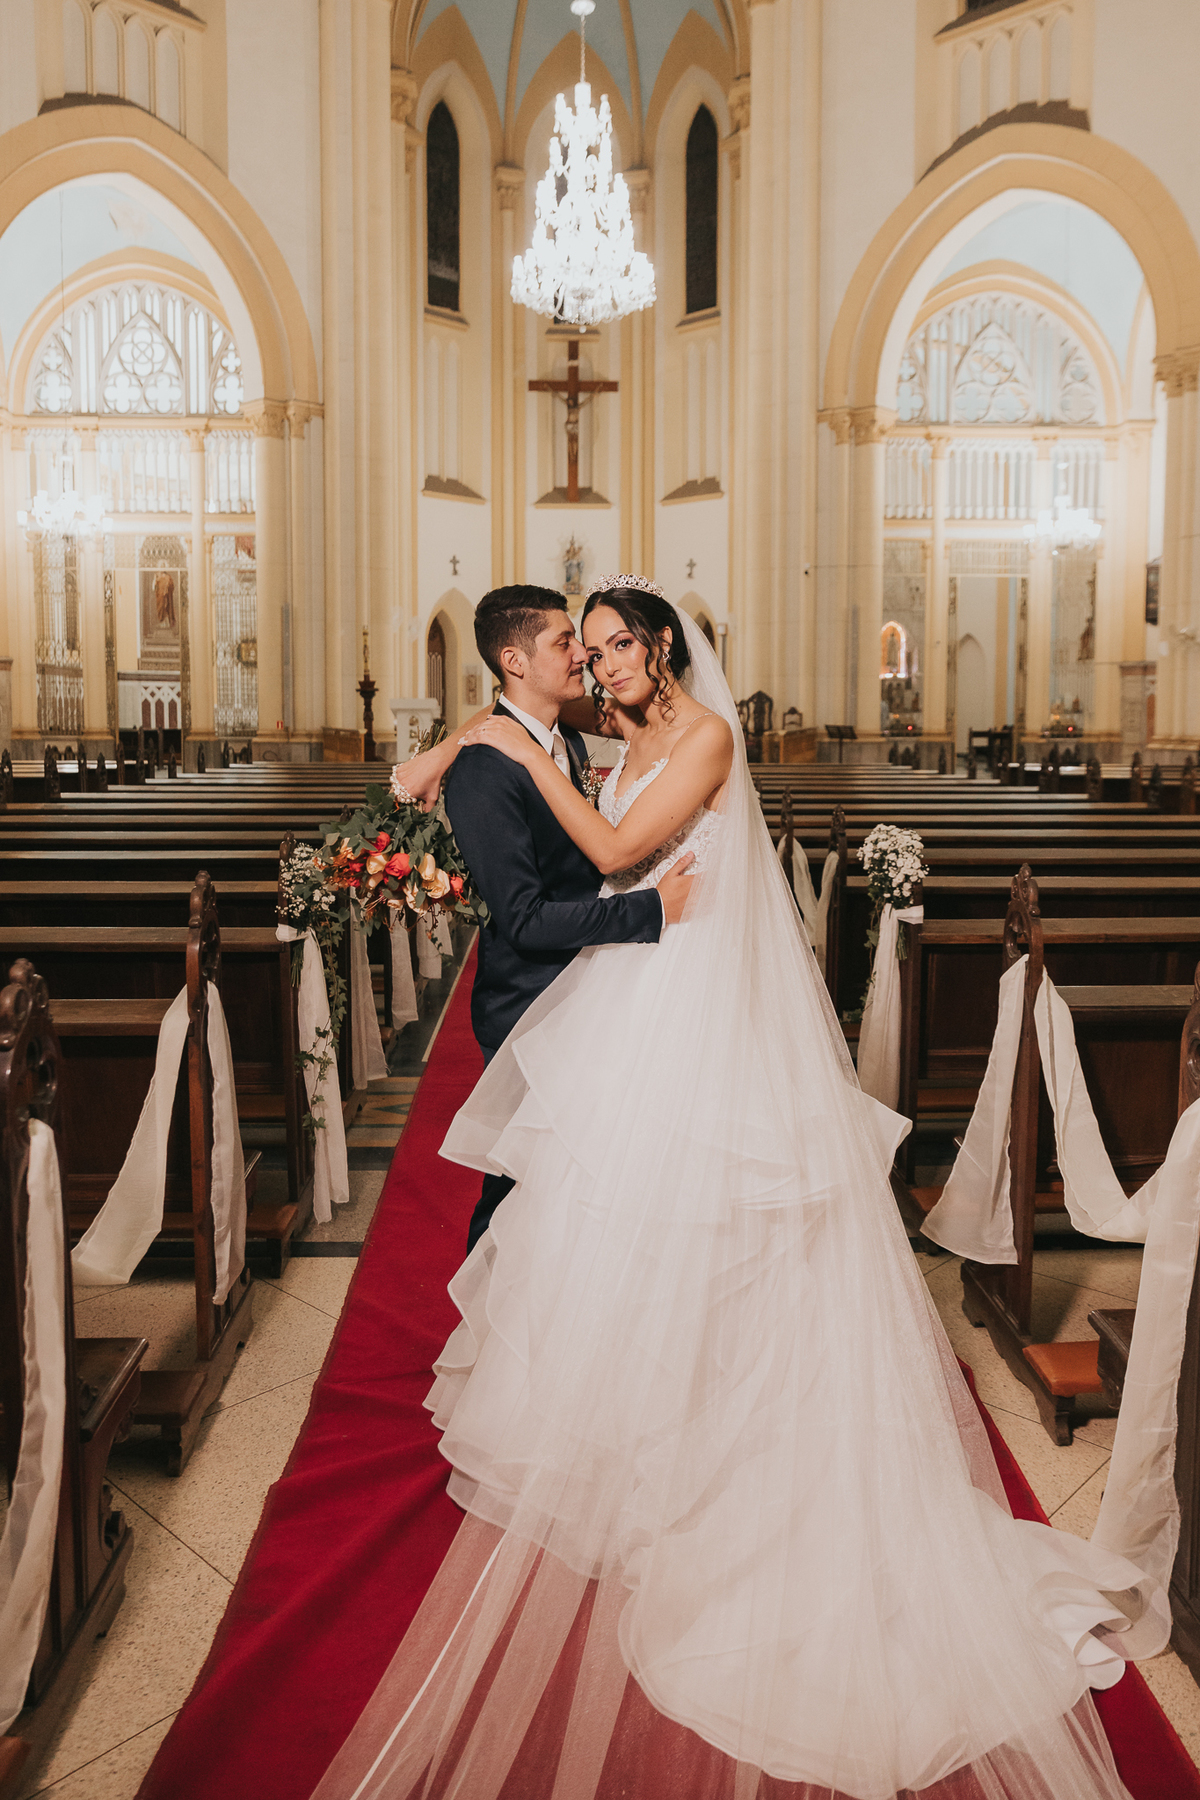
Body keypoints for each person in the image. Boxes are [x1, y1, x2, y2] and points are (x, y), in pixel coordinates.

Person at [314, 578, 1158, 1800]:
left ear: (660, 645)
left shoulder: (704, 733)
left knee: (712, 1219)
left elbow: (606, 848)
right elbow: (556, 745)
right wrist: (468, 738)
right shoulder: (624, 724)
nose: (598, 665)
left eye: (611, 645)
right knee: (616, 1219)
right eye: (583, 649)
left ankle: (734, 1446)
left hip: (695, 993)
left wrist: (500, 744)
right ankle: (642, 1425)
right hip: (638, 990)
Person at [411, 584, 695, 1252]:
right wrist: (653, 907)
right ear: (515, 661)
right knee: (517, 1181)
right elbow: (525, 921)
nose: (585, 659)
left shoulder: (560, 735)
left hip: (586, 990)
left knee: (572, 1175)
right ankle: (486, 1328)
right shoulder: (484, 772)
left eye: (591, 645)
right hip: (526, 1003)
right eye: (566, 643)